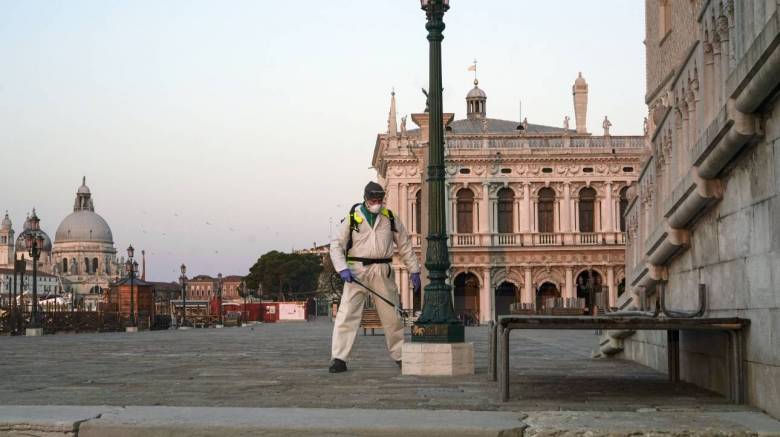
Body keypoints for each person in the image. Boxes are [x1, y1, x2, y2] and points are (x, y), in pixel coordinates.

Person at [328, 181, 421, 373]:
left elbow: (404, 245)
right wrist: (342, 268)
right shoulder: (352, 218)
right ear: (366, 199)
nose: (377, 203)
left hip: (383, 269)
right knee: (347, 315)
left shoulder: (390, 218)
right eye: (373, 200)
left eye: (380, 199)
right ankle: (339, 358)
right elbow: (336, 245)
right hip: (356, 271)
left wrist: (414, 270)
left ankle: (400, 355)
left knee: (392, 316)